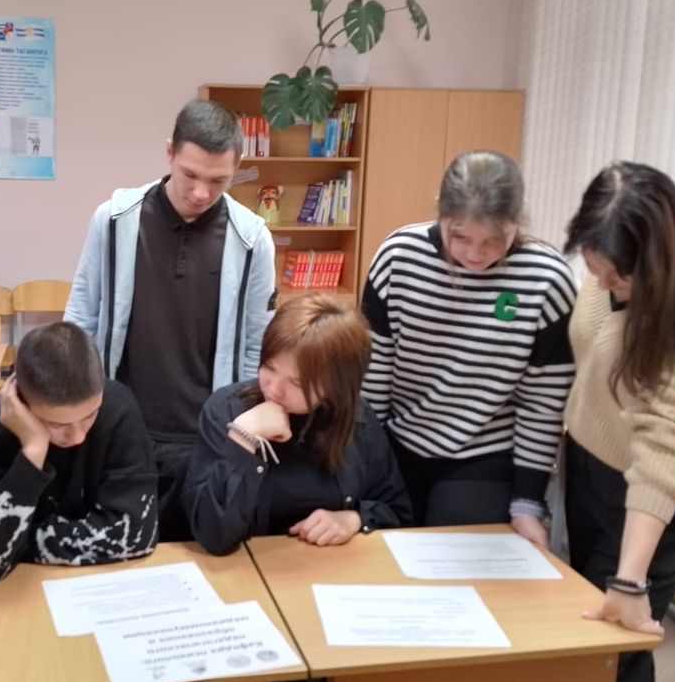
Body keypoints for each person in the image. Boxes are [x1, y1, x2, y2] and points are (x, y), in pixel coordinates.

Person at [64, 99, 276, 542]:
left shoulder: (252, 239)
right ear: (169, 153)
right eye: (190, 174)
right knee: (117, 545)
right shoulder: (115, 220)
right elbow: (82, 315)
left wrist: (239, 426)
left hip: (205, 432)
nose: (200, 192)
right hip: (120, 424)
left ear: (236, 169)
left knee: (194, 552)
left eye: (218, 181)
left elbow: (257, 344)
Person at [361, 150, 576, 547]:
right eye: (459, 237)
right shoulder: (400, 256)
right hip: (398, 443)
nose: (475, 255)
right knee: (383, 554)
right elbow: (374, 375)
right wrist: (364, 466)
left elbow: (542, 403)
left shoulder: (546, 279)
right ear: (441, 214)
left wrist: (527, 503)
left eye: (494, 240)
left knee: (454, 561)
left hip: (484, 454)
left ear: (517, 221)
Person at [562, 161, 675, 682]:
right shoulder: (616, 268)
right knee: (591, 637)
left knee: (614, 646)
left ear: (656, 263)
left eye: (616, 277)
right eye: (593, 267)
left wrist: (630, 578)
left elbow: (663, 457)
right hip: (594, 476)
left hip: (658, 503)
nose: (602, 284)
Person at [183, 294, 411, 556]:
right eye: (269, 368)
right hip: (243, 566)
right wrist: (243, 440)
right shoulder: (226, 409)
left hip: (328, 565)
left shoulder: (357, 419)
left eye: (297, 383)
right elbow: (212, 535)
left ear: (337, 386)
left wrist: (354, 519)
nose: (274, 389)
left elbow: (397, 511)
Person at [0, 322, 158, 584]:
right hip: (18, 591)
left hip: (100, 583)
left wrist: (18, 546)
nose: (78, 436)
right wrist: (33, 451)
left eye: (90, 416)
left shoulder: (119, 407)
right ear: (21, 401)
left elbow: (136, 537)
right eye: (56, 424)